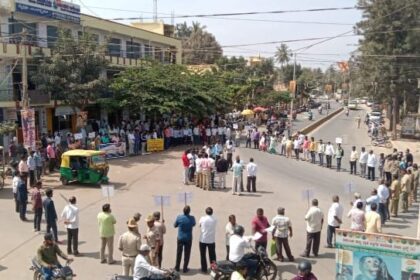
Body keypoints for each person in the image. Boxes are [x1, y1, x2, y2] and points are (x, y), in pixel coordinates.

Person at [174, 205, 196, 273]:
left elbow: (175, 225)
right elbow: (194, 224)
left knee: (179, 253)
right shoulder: (192, 218)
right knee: (187, 253)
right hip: (188, 238)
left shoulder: (179, 217)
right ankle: (185, 268)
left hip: (180, 237)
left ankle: (177, 267)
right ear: (189, 211)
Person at [198, 207, 217, 273]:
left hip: (203, 239)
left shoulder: (202, 218)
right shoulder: (215, 219)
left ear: (206, 212)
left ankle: (204, 268)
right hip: (211, 240)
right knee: (212, 255)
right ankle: (213, 268)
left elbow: (199, 225)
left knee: (203, 255)